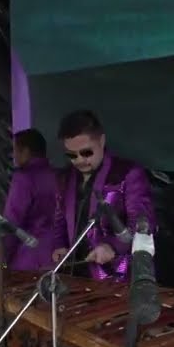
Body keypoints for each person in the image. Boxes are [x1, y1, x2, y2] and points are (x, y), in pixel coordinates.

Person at [50, 110, 155, 281]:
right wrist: (60, 246)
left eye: (86, 153)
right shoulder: (65, 179)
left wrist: (112, 247)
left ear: (102, 141)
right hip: (75, 277)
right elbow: (60, 220)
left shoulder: (128, 174)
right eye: (71, 155)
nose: (79, 160)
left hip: (118, 278)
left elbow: (143, 223)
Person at [1, 128, 58, 271]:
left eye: (15, 150)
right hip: (57, 255)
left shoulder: (23, 178)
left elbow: (12, 221)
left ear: (25, 151)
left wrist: (5, 254)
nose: (13, 155)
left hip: (28, 257)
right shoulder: (59, 175)